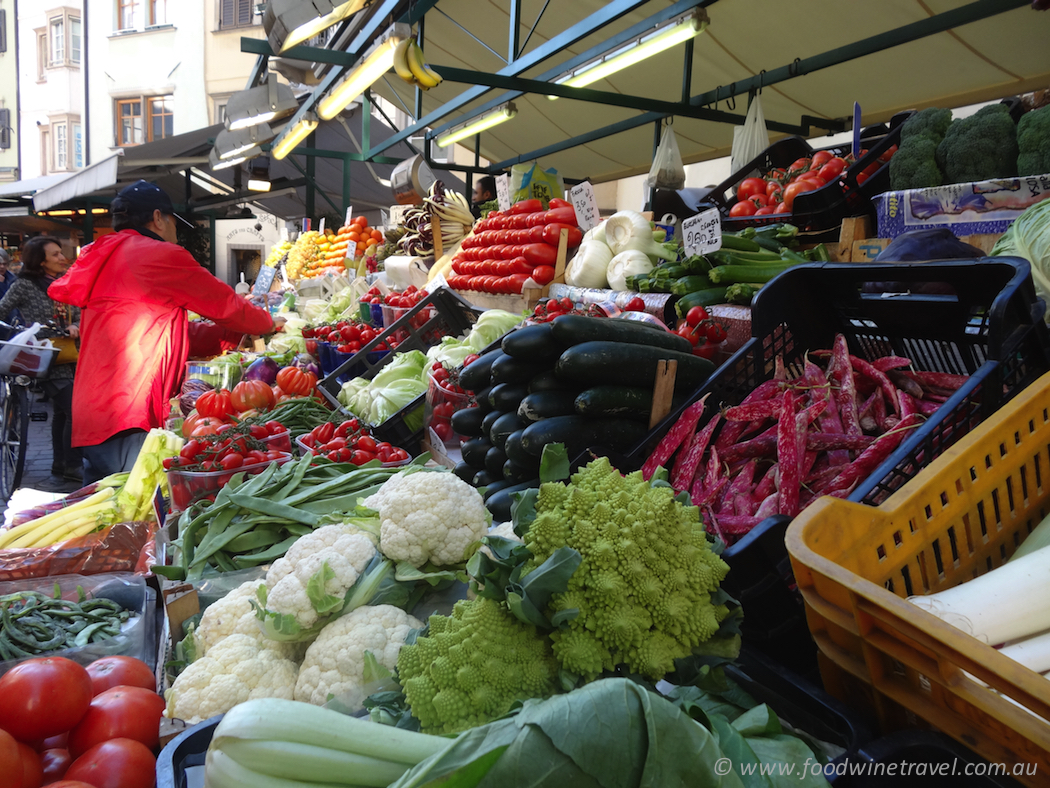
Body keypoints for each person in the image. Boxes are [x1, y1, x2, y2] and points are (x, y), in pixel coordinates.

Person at [49, 180, 277, 484]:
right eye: (173, 222)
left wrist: (228, 337)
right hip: (128, 411)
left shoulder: (106, 255)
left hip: (95, 411)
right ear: (158, 218)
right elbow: (226, 305)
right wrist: (268, 323)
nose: (175, 231)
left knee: (111, 511)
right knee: (139, 512)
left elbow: (160, 327)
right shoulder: (159, 255)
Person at [0, 237, 83, 481]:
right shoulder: (24, 285)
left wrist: (75, 325)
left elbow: (77, 312)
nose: (62, 258)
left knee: (61, 411)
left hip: (70, 353)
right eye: (55, 254)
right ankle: (73, 464)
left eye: (60, 253)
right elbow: (2, 309)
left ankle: (61, 463)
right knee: (73, 410)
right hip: (42, 354)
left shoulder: (64, 282)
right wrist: (25, 331)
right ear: (40, 260)